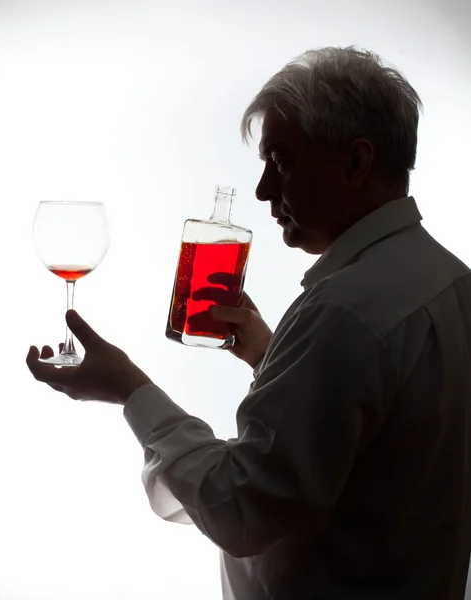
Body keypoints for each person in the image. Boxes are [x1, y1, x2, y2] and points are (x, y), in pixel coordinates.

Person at [27, 46, 471, 599]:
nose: (263, 190)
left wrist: (130, 391)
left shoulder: (345, 311)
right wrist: (270, 355)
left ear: (356, 163)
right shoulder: (451, 280)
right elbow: (372, 449)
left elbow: (241, 507)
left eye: (281, 161)